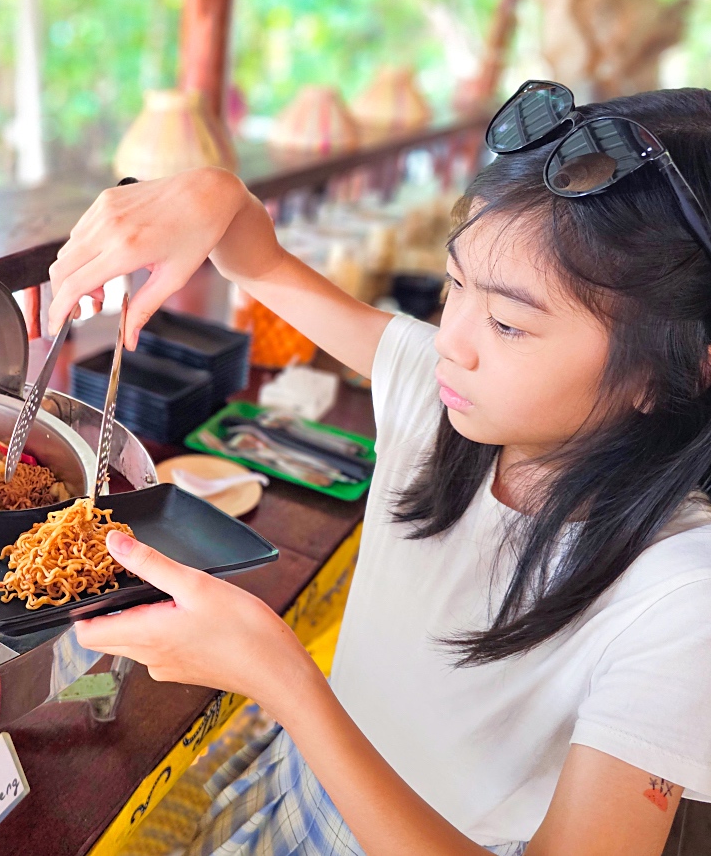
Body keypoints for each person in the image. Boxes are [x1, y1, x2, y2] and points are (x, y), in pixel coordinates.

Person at [46, 84, 711, 856]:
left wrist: (287, 681)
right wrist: (214, 193)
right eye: (456, 284)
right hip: (290, 778)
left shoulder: (680, 599)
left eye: (507, 322)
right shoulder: (446, 402)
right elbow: (259, 262)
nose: (450, 340)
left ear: (668, 374)